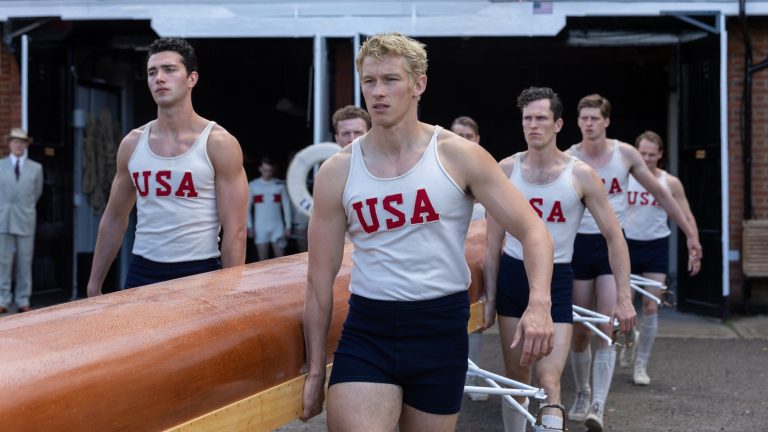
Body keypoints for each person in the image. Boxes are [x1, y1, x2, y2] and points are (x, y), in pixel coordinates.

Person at [301, 33, 555, 432]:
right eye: (369, 81)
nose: (378, 92)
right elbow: (319, 279)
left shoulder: (457, 155)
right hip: (370, 329)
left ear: (418, 84)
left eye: (390, 80)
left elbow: (532, 229)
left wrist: (539, 303)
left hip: (440, 329)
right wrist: (316, 368)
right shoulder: (338, 170)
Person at [484, 87, 631, 432]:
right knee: (516, 379)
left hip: (558, 279)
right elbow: (492, 242)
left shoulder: (579, 175)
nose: (533, 125)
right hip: (512, 276)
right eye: (527, 119)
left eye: (541, 118)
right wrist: (491, 298)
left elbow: (614, 236)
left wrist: (624, 297)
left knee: (549, 380)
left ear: (559, 124)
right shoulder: (505, 170)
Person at [566, 94, 702, 431]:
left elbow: (661, 193)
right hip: (579, 246)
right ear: (577, 121)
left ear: (606, 121)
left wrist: (689, 234)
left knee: (607, 326)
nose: (589, 123)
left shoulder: (624, 154)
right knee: (580, 329)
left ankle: (598, 403)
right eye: (584, 118)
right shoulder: (569, 157)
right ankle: (582, 392)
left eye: (595, 118)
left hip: (613, 245)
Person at [86, 37, 248, 296]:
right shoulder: (132, 143)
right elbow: (115, 217)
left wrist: (227, 293)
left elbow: (236, 229)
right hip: (143, 271)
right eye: (152, 72)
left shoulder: (219, 143)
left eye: (169, 70)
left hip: (200, 271)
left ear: (191, 78)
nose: (159, 78)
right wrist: (94, 284)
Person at [620, 130, 701, 385]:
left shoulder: (670, 183)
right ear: (636, 152)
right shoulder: (624, 178)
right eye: (642, 154)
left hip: (656, 246)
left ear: (660, 155)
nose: (646, 158)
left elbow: (686, 215)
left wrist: (694, 245)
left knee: (651, 306)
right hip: (628, 245)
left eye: (652, 155)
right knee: (625, 307)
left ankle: (641, 365)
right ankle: (628, 341)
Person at [450, 114, 487, 402]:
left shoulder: (485, 177)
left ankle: (472, 375)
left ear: (477, 141)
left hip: (477, 262)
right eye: (456, 135)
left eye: (468, 136)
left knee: (476, 322)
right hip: (447, 263)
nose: (462, 141)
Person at [0, 128, 43, 313]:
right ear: (9, 144)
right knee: (3, 261)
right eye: (15, 141)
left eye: (22, 142)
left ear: (26, 145)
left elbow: (37, 193)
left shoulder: (36, 168)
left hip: (25, 219)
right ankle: (3, 299)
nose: (18, 145)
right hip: (3, 219)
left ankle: (23, 299)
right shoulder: (0, 165)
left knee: (25, 261)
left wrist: (25, 207)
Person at [247, 157, 292, 260]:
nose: (268, 173)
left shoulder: (280, 185)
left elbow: (286, 206)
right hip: (260, 228)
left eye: (270, 171)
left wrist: (288, 225)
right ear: (260, 169)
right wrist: (249, 226)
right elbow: (247, 208)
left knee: (281, 260)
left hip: (278, 227)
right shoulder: (253, 186)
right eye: (265, 170)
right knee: (263, 261)